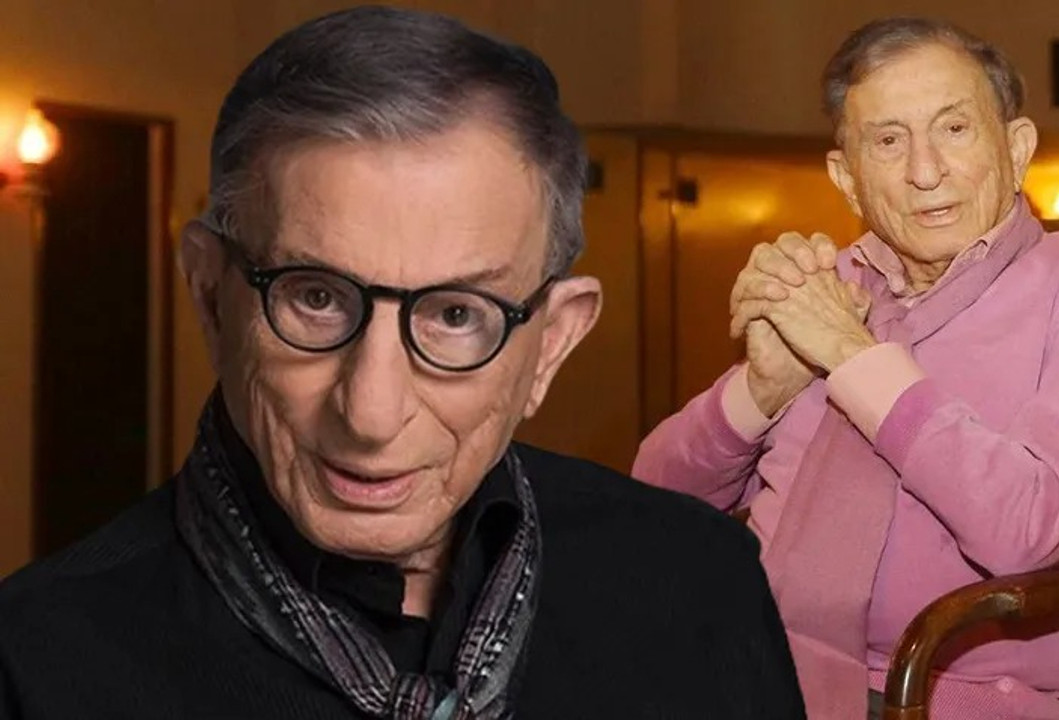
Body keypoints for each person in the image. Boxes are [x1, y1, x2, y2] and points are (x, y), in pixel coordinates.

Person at [0, 7, 805, 719]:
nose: (372, 414)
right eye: (317, 298)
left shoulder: (699, 584)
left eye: (456, 315)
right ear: (211, 297)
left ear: (552, 344)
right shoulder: (34, 660)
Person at [633, 16, 1059, 720]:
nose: (925, 172)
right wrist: (763, 388)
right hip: (742, 665)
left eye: (955, 129)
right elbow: (649, 507)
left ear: (1016, 148)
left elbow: (1026, 528)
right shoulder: (829, 286)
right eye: (888, 141)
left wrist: (850, 356)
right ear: (847, 179)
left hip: (929, 695)